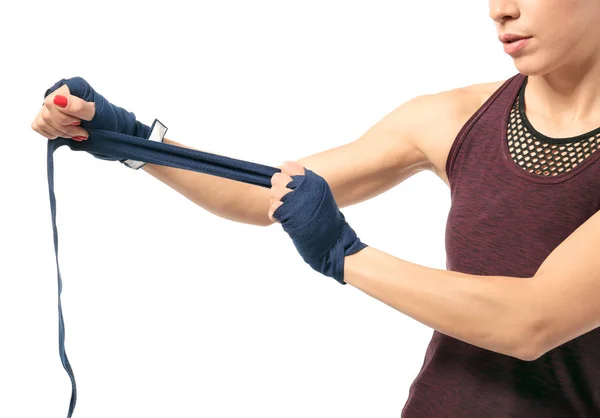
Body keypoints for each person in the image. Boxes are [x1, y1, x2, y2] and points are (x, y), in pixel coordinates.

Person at [31, 0, 600, 416]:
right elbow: (265, 194)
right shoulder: (452, 118)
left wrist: (344, 254)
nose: (499, 10)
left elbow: (532, 321)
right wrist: (128, 138)